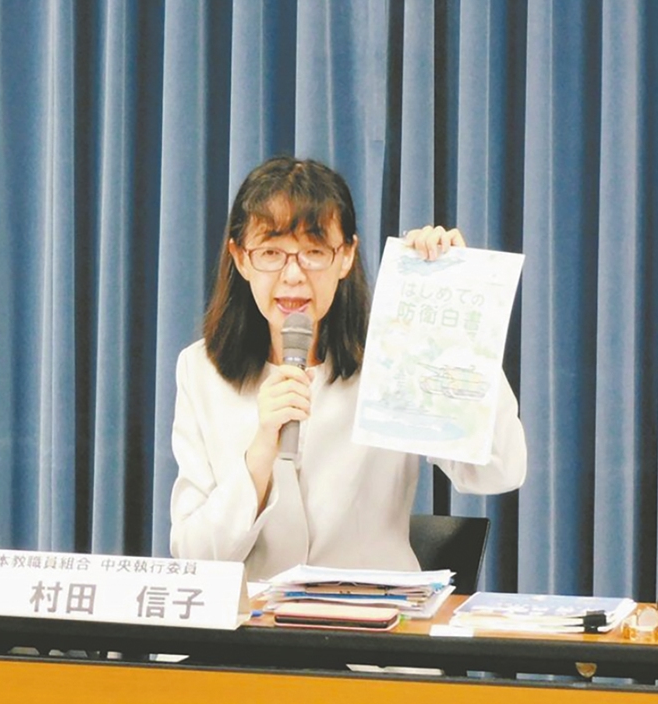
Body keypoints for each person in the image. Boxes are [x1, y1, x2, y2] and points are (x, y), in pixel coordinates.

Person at [169, 157, 526, 581]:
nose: (293, 276)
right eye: (271, 253)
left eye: (314, 253)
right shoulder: (201, 368)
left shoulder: (396, 357)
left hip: (371, 633)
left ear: (346, 257)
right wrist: (260, 451)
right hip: (253, 634)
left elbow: (499, 471)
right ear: (241, 259)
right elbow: (194, 556)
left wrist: (450, 313)